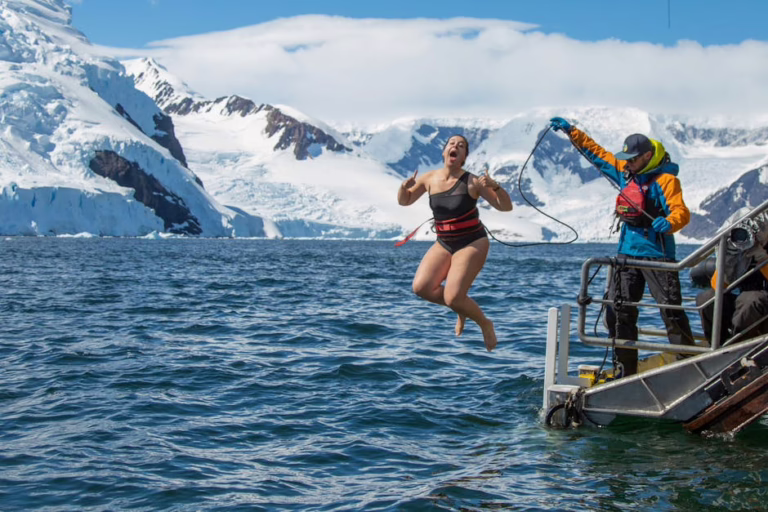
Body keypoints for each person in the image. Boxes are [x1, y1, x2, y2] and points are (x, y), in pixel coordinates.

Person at [550, 117, 696, 376]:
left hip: (658, 256)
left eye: (633, 159)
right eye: (626, 159)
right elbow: (595, 153)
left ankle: (690, 363)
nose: (627, 163)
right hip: (627, 255)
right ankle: (624, 369)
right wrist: (571, 131)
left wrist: (670, 222)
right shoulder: (625, 172)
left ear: (648, 156)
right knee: (617, 312)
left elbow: (681, 211)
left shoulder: (666, 181)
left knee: (671, 312)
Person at [397, 134, 513, 351]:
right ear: (444, 152)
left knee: (452, 296)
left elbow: (505, 207)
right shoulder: (429, 178)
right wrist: (404, 187)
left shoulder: (473, 182)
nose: (455, 147)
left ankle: (485, 324)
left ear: (463, 158)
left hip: (472, 242)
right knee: (421, 288)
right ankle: (462, 308)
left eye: (461, 146)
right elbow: (405, 201)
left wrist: (496, 187)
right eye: (452, 144)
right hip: (444, 243)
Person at [696, 209, 768, 345]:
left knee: (750, 300)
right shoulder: (736, 250)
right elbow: (717, 285)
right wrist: (727, 256)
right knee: (706, 298)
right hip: (743, 298)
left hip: (760, 299)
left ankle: (738, 346)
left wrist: (761, 257)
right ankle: (717, 345)